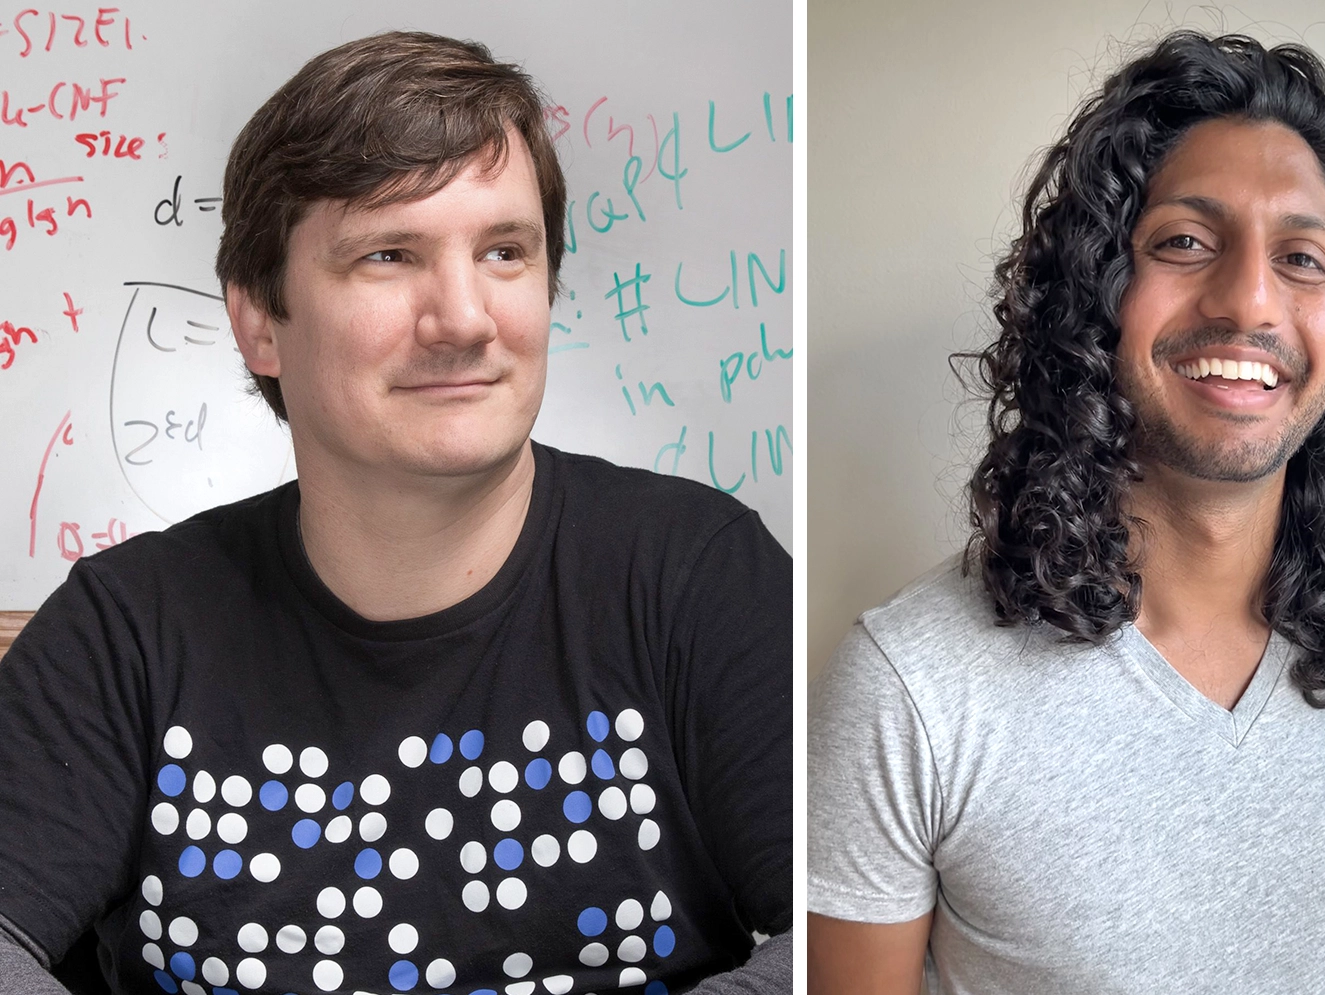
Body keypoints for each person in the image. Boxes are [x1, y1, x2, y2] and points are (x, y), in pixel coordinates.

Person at [0, 32, 790, 995]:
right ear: (258, 320)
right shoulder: (126, 629)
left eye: (505, 250)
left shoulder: (699, 574)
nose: (463, 318)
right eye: (388, 255)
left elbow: (842, 933)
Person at [807, 30, 1325, 995]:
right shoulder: (912, 686)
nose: (1249, 298)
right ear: (1097, 293)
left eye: (1300, 258)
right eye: (1185, 242)